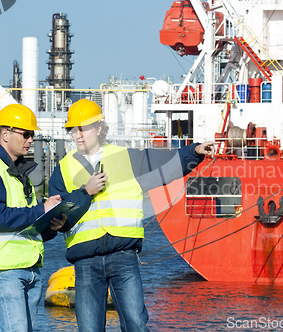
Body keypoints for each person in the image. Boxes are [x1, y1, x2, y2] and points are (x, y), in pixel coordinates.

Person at [49, 99, 215, 331]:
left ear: (98, 128)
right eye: (73, 129)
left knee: (136, 324)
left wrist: (194, 152)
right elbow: (58, 215)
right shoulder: (63, 169)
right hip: (86, 261)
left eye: (83, 128)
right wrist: (82, 194)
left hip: (123, 257)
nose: (77, 134)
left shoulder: (126, 157)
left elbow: (165, 163)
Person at [0, 104, 66, 332]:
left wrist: (51, 226)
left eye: (33, 135)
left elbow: (24, 226)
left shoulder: (18, 174)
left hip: (29, 268)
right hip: (6, 271)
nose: (30, 140)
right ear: (5, 134)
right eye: (26, 134)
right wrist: (41, 209)